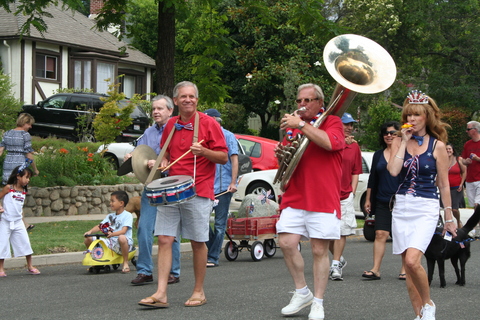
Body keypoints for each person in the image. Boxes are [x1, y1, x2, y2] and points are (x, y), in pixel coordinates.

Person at [138, 81, 228, 308]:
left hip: (198, 189)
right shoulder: (171, 125)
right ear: (176, 101)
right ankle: (160, 293)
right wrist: (164, 163)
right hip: (171, 187)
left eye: (192, 96)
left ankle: (199, 291)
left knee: (198, 242)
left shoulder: (209, 124)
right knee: (165, 239)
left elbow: (223, 157)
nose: (188, 99)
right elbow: (167, 154)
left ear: (197, 100)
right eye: (183, 96)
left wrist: (204, 151)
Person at [387, 90, 457, 320]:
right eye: (408, 115)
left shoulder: (437, 145)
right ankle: (419, 315)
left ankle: (428, 304)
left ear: (427, 117)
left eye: (416, 115)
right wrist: (403, 142)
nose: (412, 120)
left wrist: (449, 216)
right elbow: (394, 171)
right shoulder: (399, 140)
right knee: (408, 269)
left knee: (412, 260)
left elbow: (444, 185)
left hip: (426, 206)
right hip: (401, 207)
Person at [276, 83, 344, 320]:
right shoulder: (293, 127)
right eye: (299, 101)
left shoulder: (332, 121)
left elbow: (331, 143)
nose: (302, 105)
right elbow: (285, 161)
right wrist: (280, 154)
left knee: (318, 250)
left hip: (323, 196)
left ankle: (318, 302)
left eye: (307, 100)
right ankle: (302, 291)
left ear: (319, 102)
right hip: (295, 195)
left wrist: (302, 125)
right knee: (285, 242)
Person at [125, 95, 182, 285]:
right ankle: (145, 271)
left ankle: (173, 272)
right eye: (154, 109)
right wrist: (132, 156)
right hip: (151, 185)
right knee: (143, 228)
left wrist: (158, 161)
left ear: (170, 110)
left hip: (169, 184)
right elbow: (140, 150)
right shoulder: (149, 132)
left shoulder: (177, 129)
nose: (156, 112)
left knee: (170, 230)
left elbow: (179, 156)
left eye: (160, 108)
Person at [362, 121, 406, 280]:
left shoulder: (406, 152)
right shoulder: (378, 154)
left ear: (399, 135)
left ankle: (405, 269)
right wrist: (368, 199)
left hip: (402, 199)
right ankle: (375, 269)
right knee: (380, 233)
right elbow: (373, 178)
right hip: (382, 199)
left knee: (402, 235)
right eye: (386, 133)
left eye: (393, 133)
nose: (389, 135)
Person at [329, 112, 362, 281]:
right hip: (328, 194)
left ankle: (335, 266)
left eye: (351, 125)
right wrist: (341, 144)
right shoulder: (328, 142)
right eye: (346, 124)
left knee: (341, 231)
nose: (349, 128)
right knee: (327, 233)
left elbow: (356, 171)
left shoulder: (354, 146)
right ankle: (339, 258)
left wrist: (352, 192)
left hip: (345, 195)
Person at [204, 108, 239, 268]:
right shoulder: (203, 137)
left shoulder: (228, 136)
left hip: (224, 187)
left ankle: (212, 257)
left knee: (219, 224)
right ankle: (214, 248)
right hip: (206, 187)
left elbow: (234, 160)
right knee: (202, 222)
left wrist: (233, 182)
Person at [0, 165, 40, 277]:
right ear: (18, 176)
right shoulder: (8, 188)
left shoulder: (23, 191)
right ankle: (1, 269)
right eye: (26, 177)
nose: (28, 180)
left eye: (29, 178)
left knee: (25, 243)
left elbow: (19, 207)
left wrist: (23, 222)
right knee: (2, 244)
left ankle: (30, 266)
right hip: (6, 222)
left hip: (18, 222)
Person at [84, 190, 134, 273]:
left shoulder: (127, 215)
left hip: (123, 241)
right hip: (110, 241)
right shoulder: (110, 216)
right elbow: (100, 226)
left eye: (112, 201)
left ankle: (125, 263)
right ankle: (96, 261)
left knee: (121, 237)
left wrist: (113, 234)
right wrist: (90, 232)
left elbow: (123, 231)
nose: (110, 203)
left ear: (121, 203)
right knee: (88, 240)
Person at [0, 113, 39, 185]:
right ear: (24, 123)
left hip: (8, 162)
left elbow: (1, 150)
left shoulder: (7, 133)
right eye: (29, 124)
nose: (30, 127)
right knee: (18, 184)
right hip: (19, 163)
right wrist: (35, 169)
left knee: (8, 184)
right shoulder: (25, 135)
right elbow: (29, 155)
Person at [441, 143, 466, 228]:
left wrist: (461, 184)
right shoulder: (442, 160)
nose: (448, 150)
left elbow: (464, 171)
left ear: (453, 150)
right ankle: (447, 225)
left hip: (456, 188)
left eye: (449, 149)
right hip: (445, 188)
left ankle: (458, 222)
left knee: (454, 209)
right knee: (446, 208)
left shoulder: (459, 159)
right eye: (446, 149)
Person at [461, 121, 480, 208]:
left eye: (468, 129)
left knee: (478, 204)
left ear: (475, 130)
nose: (466, 131)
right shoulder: (467, 144)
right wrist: (466, 161)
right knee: (474, 206)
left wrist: (477, 159)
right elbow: (463, 160)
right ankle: (475, 221)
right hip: (470, 179)